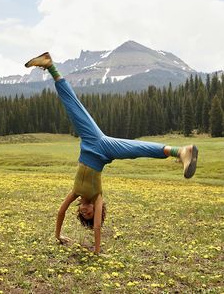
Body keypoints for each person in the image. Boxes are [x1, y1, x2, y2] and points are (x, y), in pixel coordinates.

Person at [25, 52, 198, 254]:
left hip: (91, 142)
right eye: (90, 213)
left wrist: (58, 235)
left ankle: (49, 65)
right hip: (104, 149)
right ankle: (181, 152)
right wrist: (97, 250)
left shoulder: (76, 193)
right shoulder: (97, 197)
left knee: (72, 107)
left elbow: (61, 212)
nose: (86, 211)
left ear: (80, 210)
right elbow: (97, 226)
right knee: (137, 149)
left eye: (84, 213)